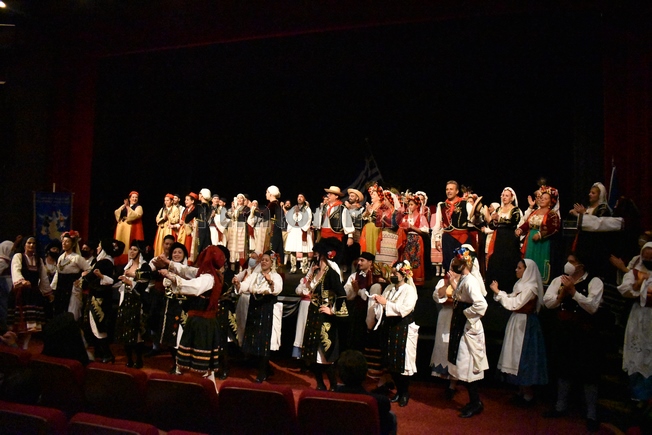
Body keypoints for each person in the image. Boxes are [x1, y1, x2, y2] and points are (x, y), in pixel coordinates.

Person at [543, 253, 604, 432]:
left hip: (585, 333)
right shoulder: (559, 280)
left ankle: (591, 414)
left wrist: (574, 293)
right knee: (564, 369)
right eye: (568, 261)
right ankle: (560, 406)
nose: (568, 264)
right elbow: (548, 303)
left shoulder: (594, 281)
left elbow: (592, 307)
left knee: (589, 373)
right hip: (564, 331)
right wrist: (561, 295)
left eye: (572, 262)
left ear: (581, 265)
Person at [161, 245, 226, 385]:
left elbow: (194, 288)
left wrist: (171, 277)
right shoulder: (207, 273)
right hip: (199, 321)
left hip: (202, 323)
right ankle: (207, 390)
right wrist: (169, 263)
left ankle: (203, 390)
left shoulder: (209, 277)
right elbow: (188, 271)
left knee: (201, 366)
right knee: (200, 365)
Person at [490, 259, 548, 406]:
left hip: (525, 325)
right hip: (517, 322)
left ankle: (528, 394)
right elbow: (511, 298)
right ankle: (521, 391)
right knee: (514, 355)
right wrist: (500, 293)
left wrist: (498, 293)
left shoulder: (531, 288)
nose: (516, 270)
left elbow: (515, 303)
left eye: (520, 268)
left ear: (527, 270)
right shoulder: (520, 285)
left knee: (523, 357)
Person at [368, 259, 419, 407]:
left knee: (402, 363)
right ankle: (399, 390)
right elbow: (383, 307)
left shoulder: (409, 290)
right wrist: (378, 304)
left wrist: (386, 303)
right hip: (390, 327)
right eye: (392, 273)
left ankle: (405, 392)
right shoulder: (389, 288)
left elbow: (404, 309)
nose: (393, 275)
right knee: (391, 361)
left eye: (396, 273)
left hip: (403, 328)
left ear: (404, 274)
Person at [301, 238, 348, 391]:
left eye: (316, 254)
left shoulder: (331, 274)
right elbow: (308, 290)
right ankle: (320, 384)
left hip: (324, 317)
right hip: (313, 314)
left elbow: (342, 294)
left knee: (325, 353)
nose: (314, 256)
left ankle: (333, 385)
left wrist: (332, 311)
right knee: (312, 352)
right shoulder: (316, 272)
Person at [446, 250, 489, 418]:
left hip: (468, 328)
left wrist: (465, 313)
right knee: (464, 364)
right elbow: (460, 296)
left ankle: (476, 402)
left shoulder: (470, 281)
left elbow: (481, 305)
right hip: (462, 326)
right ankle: (473, 401)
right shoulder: (465, 279)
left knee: (469, 364)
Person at [236, 250, 284, 382]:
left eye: (267, 260)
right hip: (254, 308)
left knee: (264, 340)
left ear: (272, 263)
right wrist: (238, 284)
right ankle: (260, 367)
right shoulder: (255, 275)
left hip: (266, 308)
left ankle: (262, 371)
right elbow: (246, 285)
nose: (263, 262)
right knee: (254, 338)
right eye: (262, 260)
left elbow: (277, 289)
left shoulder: (275, 276)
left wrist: (270, 282)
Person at [617, 242, 652, 404]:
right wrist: (639, 284)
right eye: (646, 257)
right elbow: (625, 289)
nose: (648, 260)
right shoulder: (635, 272)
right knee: (637, 355)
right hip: (638, 317)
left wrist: (641, 288)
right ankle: (636, 395)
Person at [81, 238, 123, 363]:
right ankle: (99, 352)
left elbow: (93, 277)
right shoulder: (104, 261)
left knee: (98, 324)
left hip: (100, 298)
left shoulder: (104, 262)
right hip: (98, 297)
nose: (97, 248)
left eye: (99, 246)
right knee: (94, 324)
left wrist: (85, 278)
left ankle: (107, 354)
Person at [336, 349, 397, 435]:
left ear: (338, 375)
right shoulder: (381, 401)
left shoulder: (327, 398)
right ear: (366, 374)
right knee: (392, 416)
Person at [570, 182, 623, 278]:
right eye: (590, 192)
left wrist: (583, 214)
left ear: (600, 195)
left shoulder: (603, 209)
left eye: (593, 193)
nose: (590, 194)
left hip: (596, 248)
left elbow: (597, 225)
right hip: (585, 246)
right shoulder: (589, 208)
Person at [9, 236, 53, 349]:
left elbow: (43, 278)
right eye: (29, 243)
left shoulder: (38, 260)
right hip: (20, 293)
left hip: (33, 294)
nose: (31, 245)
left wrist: (48, 293)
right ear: (24, 245)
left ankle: (25, 346)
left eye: (33, 243)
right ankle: (14, 346)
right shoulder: (18, 257)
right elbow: (16, 270)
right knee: (18, 322)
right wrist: (22, 281)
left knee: (31, 325)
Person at [115, 240, 151, 369]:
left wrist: (130, 281)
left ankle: (139, 359)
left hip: (138, 301)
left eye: (135, 249)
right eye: (130, 249)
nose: (131, 251)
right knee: (126, 330)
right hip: (125, 300)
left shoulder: (145, 267)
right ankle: (129, 358)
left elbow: (144, 286)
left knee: (137, 332)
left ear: (140, 252)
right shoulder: (126, 266)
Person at [516, 186, 560, 285]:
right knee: (528, 260)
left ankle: (539, 283)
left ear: (550, 202)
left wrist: (540, 235)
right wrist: (520, 229)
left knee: (539, 260)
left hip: (542, 242)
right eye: (541, 198)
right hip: (530, 240)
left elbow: (554, 228)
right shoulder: (534, 212)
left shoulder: (552, 214)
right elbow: (527, 224)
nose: (542, 200)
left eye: (546, 199)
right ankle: (527, 281)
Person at [342, 252, 384, 353]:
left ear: (370, 262)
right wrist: (353, 290)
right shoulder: (354, 276)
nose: (359, 263)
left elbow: (372, 297)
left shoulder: (377, 278)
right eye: (359, 260)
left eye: (362, 260)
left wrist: (358, 291)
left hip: (370, 314)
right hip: (356, 312)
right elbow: (346, 294)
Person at [484, 187, 523, 292]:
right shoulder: (499, 209)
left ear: (511, 198)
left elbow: (513, 222)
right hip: (500, 238)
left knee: (508, 261)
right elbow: (492, 226)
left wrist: (499, 219)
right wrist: (493, 221)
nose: (504, 197)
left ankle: (508, 288)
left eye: (507, 196)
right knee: (498, 261)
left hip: (510, 239)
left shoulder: (515, 210)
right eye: (503, 195)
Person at [432, 181, 473, 273]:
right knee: (449, 263)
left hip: (462, 238)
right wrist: (437, 238)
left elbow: (473, 219)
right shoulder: (441, 205)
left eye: (451, 189)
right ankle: (450, 280)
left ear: (457, 191)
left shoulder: (465, 204)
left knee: (463, 263)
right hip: (448, 238)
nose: (448, 191)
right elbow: (437, 224)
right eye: (447, 189)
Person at [51, 231, 90, 317]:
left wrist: (81, 280)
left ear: (73, 244)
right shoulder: (61, 257)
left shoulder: (77, 258)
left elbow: (89, 270)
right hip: (60, 287)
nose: (64, 243)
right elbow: (57, 273)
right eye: (63, 241)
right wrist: (52, 287)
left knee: (71, 310)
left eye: (67, 241)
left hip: (71, 287)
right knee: (59, 309)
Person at [315, 186, 354, 268]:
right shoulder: (325, 207)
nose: (328, 195)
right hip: (324, 236)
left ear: (336, 196)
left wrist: (350, 237)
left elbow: (348, 222)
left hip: (335, 238)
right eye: (328, 194)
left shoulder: (342, 208)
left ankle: (336, 274)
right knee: (323, 259)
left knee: (334, 259)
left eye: (330, 194)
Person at [398, 195, 429, 286]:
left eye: (411, 204)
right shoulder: (405, 217)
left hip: (417, 240)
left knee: (416, 260)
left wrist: (412, 227)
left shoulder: (421, 217)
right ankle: (406, 279)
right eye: (409, 205)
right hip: (407, 240)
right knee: (406, 260)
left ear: (417, 206)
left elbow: (425, 231)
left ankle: (416, 280)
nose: (409, 207)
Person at [285, 193, 313, 274]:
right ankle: (293, 267)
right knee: (292, 249)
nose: (299, 198)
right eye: (298, 197)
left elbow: (309, 219)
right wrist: (295, 215)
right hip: (294, 229)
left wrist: (302, 225)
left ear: (304, 199)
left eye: (301, 197)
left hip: (302, 230)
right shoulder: (294, 208)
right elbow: (288, 218)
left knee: (304, 249)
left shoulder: (307, 209)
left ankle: (304, 267)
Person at [113, 191, 144, 265]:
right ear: (129, 198)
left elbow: (136, 215)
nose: (134, 199)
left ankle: (126, 261)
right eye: (133, 197)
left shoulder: (138, 207)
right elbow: (116, 212)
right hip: (121, 227)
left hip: (130, 227)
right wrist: (124, 207)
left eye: (136, 197)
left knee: (127, 244)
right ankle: (118, 259)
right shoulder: (124, 206)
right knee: (119, 242)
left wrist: (128, 208)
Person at [226, 194, 251, 271]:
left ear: (244, 200)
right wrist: (233, 209)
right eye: (238, 198)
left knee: (241, 247)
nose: (239, 200)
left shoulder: (246, 208)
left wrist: (236, 211)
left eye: (241, 198)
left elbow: (245, 214)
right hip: (234, 228)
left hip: (241, 228)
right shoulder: (233, 208)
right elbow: (227, 215)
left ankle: (241, 267)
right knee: (233, 246)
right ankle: (232, 267)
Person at [344, 188, 365, 272]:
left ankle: (354, 272)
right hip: (346, 233)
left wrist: (349, 209)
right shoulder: (345, 208)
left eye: (352, 196)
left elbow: (358, 219)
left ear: (357, 198)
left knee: (354, 254)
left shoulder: (361, 209)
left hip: (356, 233)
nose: (350, 197)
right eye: (349, 196)